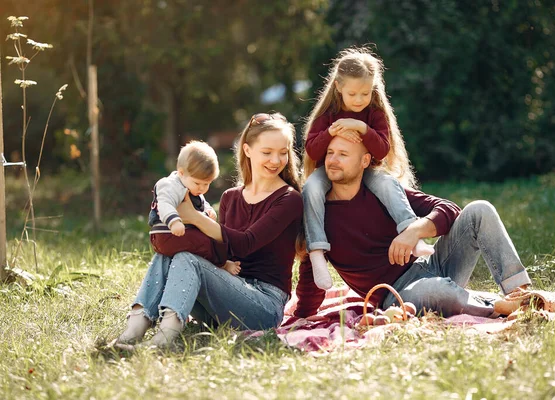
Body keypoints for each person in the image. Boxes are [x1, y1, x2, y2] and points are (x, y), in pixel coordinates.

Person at [115, 112, 303, 348]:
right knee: (171, 252)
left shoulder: (289, 199)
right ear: (247, 150)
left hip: (262, 308)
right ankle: (133, 331)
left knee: (188, 259)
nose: (275, 160)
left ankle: (164, 339)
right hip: (221, 302)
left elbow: (245, 243)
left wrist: (193, 216)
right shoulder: (230, 197)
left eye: (283, 153)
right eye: (267, 152)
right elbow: (219, 249)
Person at [294, 136, 532, 319]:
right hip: (396, 294)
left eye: (343, 154)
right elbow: (310, 267)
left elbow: (448, 209)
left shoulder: (382, 193)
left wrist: (414, 232)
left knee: (480, 210)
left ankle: (519, 293)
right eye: (330, 153)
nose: (332, 160)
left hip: (432, 266)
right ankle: (496, 309)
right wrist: (303, 314)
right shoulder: (319, 213)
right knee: (438, 291)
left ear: (364, 161)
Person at [302, 47, 433, 290]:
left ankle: (412, 234)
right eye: (353, 93)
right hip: (330, 169)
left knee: (386, 182)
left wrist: (360, 127)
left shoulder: (374, 113)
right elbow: (311, 150)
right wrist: (330, 132)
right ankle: (317, 251)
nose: (360, 100)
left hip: (367, 169)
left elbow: (382, 150)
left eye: (365, 93)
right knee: (311, 187)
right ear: (338, 87)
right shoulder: (328, 114)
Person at [148, 140, 237, 274]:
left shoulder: (191, 187)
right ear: (181, 173)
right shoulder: (170, 185)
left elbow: (200, 203)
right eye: (198, 183)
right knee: (204, 243)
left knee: (206, 239)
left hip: (178, 235)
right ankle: (222, 264)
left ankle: (214, 262)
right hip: (167, 234)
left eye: (207, 184)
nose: (202, 188)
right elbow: (164, 203)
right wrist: (174, 222)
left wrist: (208, 211)